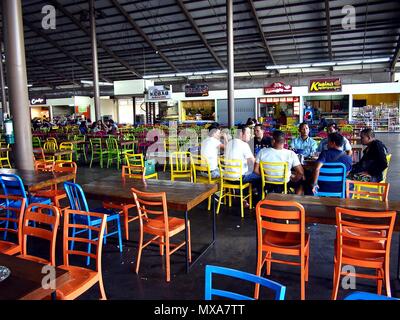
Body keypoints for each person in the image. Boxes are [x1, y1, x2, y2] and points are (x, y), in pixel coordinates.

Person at [254, 130, 304, 195]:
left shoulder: (262, 152)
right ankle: (295, 201)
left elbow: (255, 170)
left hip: (267, 182)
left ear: (273, 141)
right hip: (285, 183)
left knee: (257, 181)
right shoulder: (291, 154)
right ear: (285, 142)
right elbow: (301, 172)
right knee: (302, 181)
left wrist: (265, 176)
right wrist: (293, 179)